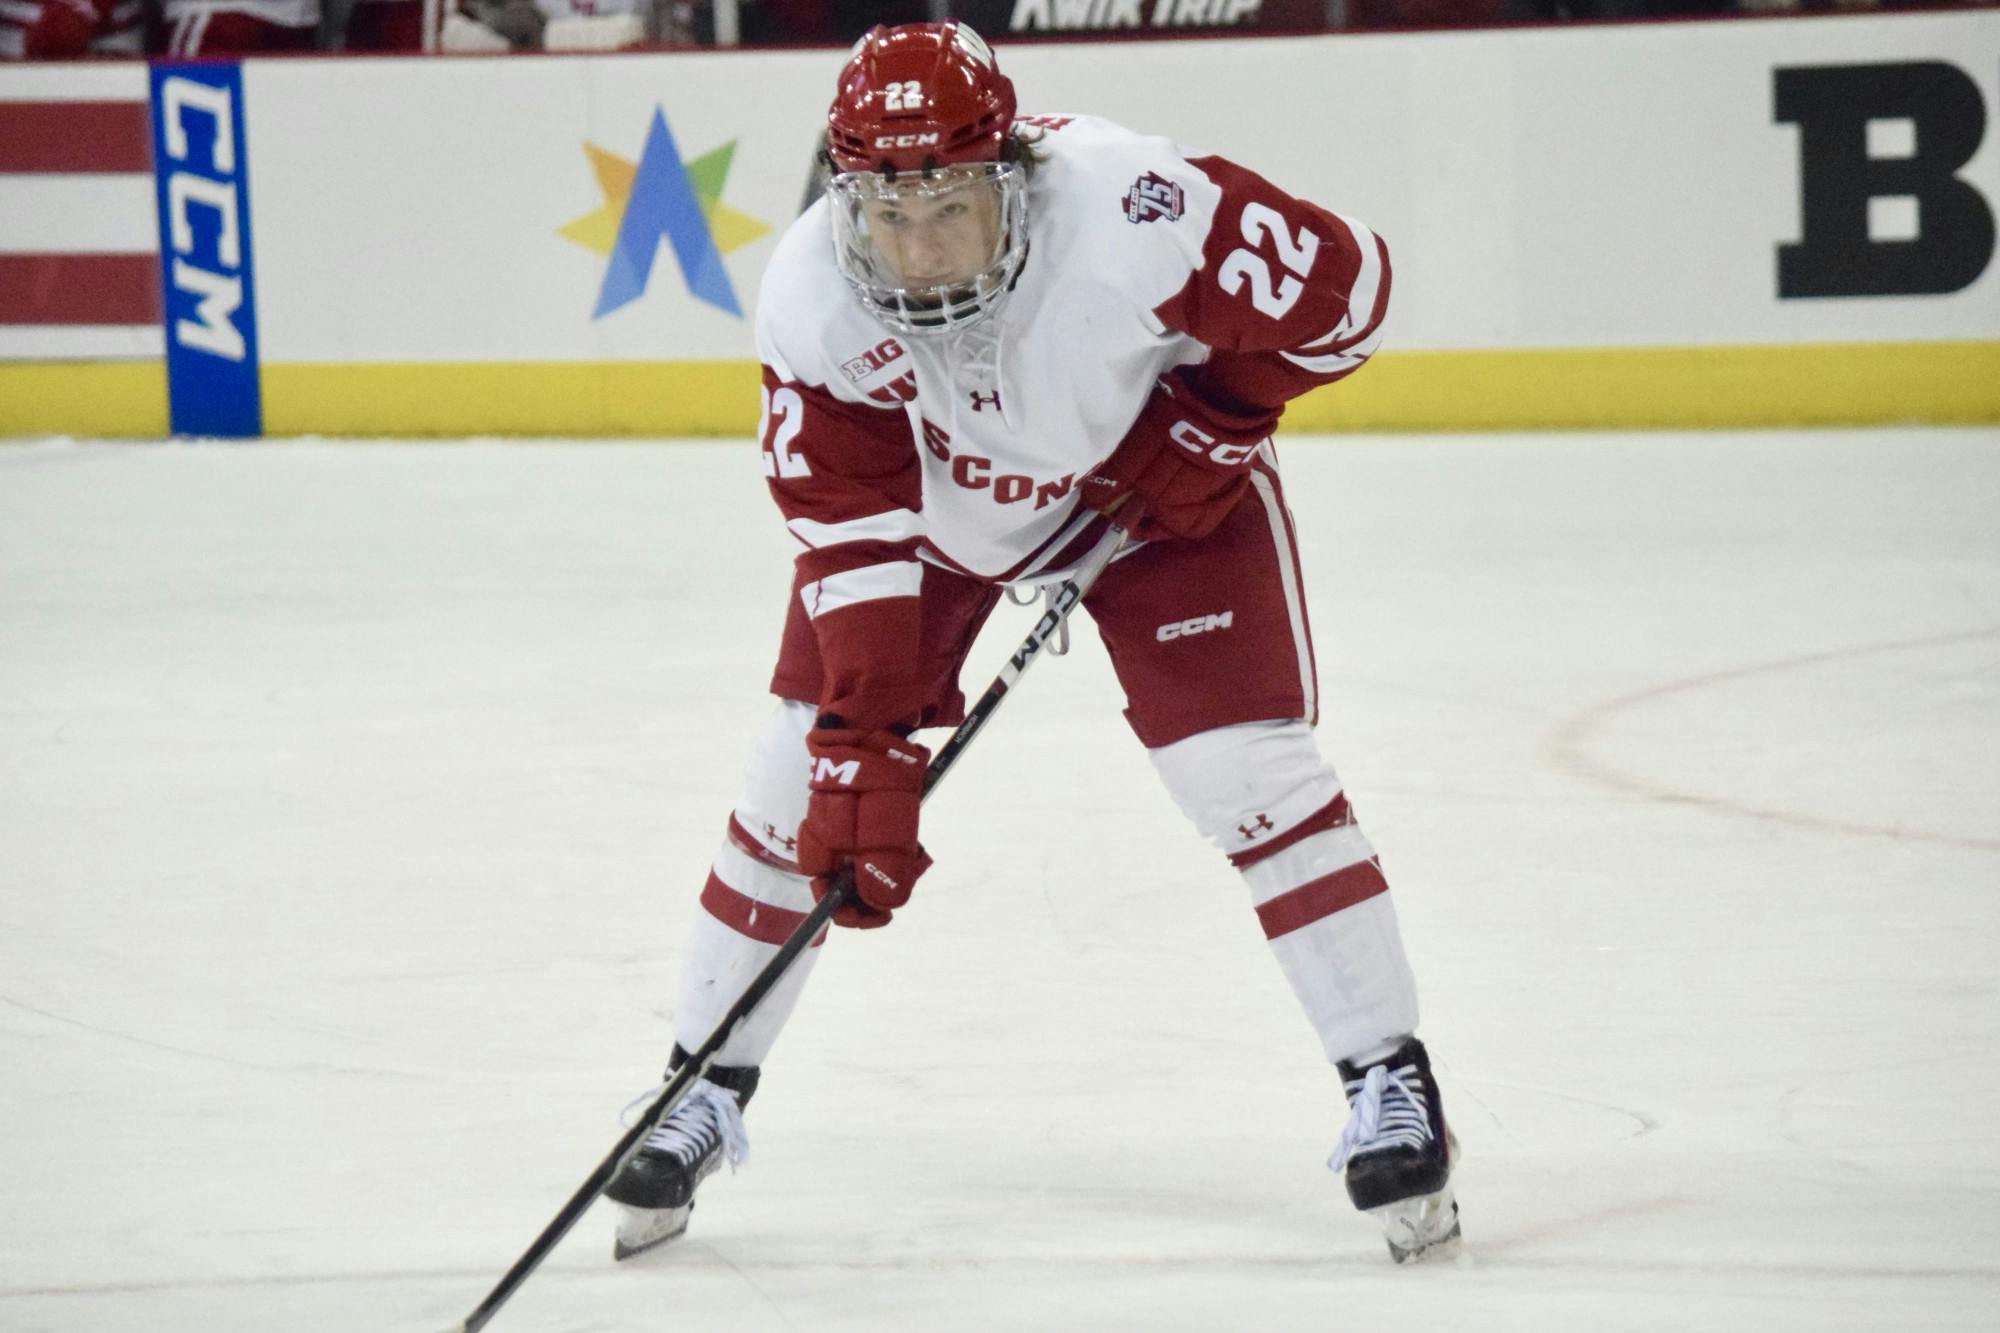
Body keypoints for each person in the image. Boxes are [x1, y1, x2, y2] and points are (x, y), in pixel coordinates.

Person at [604, 20, 1460, 1266]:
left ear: (1013, 170)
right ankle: (699, 1083)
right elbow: (851, 535)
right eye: (884, 212)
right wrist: (860, 741)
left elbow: (1355, 290)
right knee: (795, 787)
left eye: (946, 206)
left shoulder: (1139, 203)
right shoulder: (808, 296)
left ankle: (1388, 1076)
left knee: (1243, 776)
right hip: (940, 530)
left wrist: (1215, 415)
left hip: (1152, 501)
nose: (914, 247)